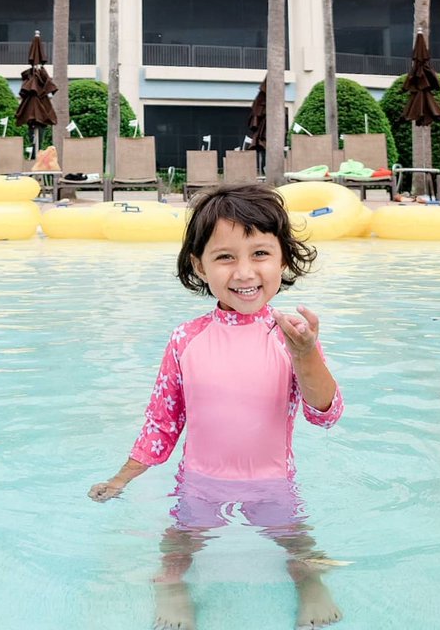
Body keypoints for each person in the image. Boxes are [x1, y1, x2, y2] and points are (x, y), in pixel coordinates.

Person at [89, 184, 344, 630]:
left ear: (283, 259)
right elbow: (162, 424)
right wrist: (121, 477)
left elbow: (325, 411)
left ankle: (310, 585)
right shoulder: (186, 339)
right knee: (178, 547)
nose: (244, 272)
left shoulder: (292, 336)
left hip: (272, 482)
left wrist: (306, 354)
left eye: (260, 253)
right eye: (225, 257)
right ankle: (171, 587)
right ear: (199, 265)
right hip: (201, 483)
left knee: (298, 546)